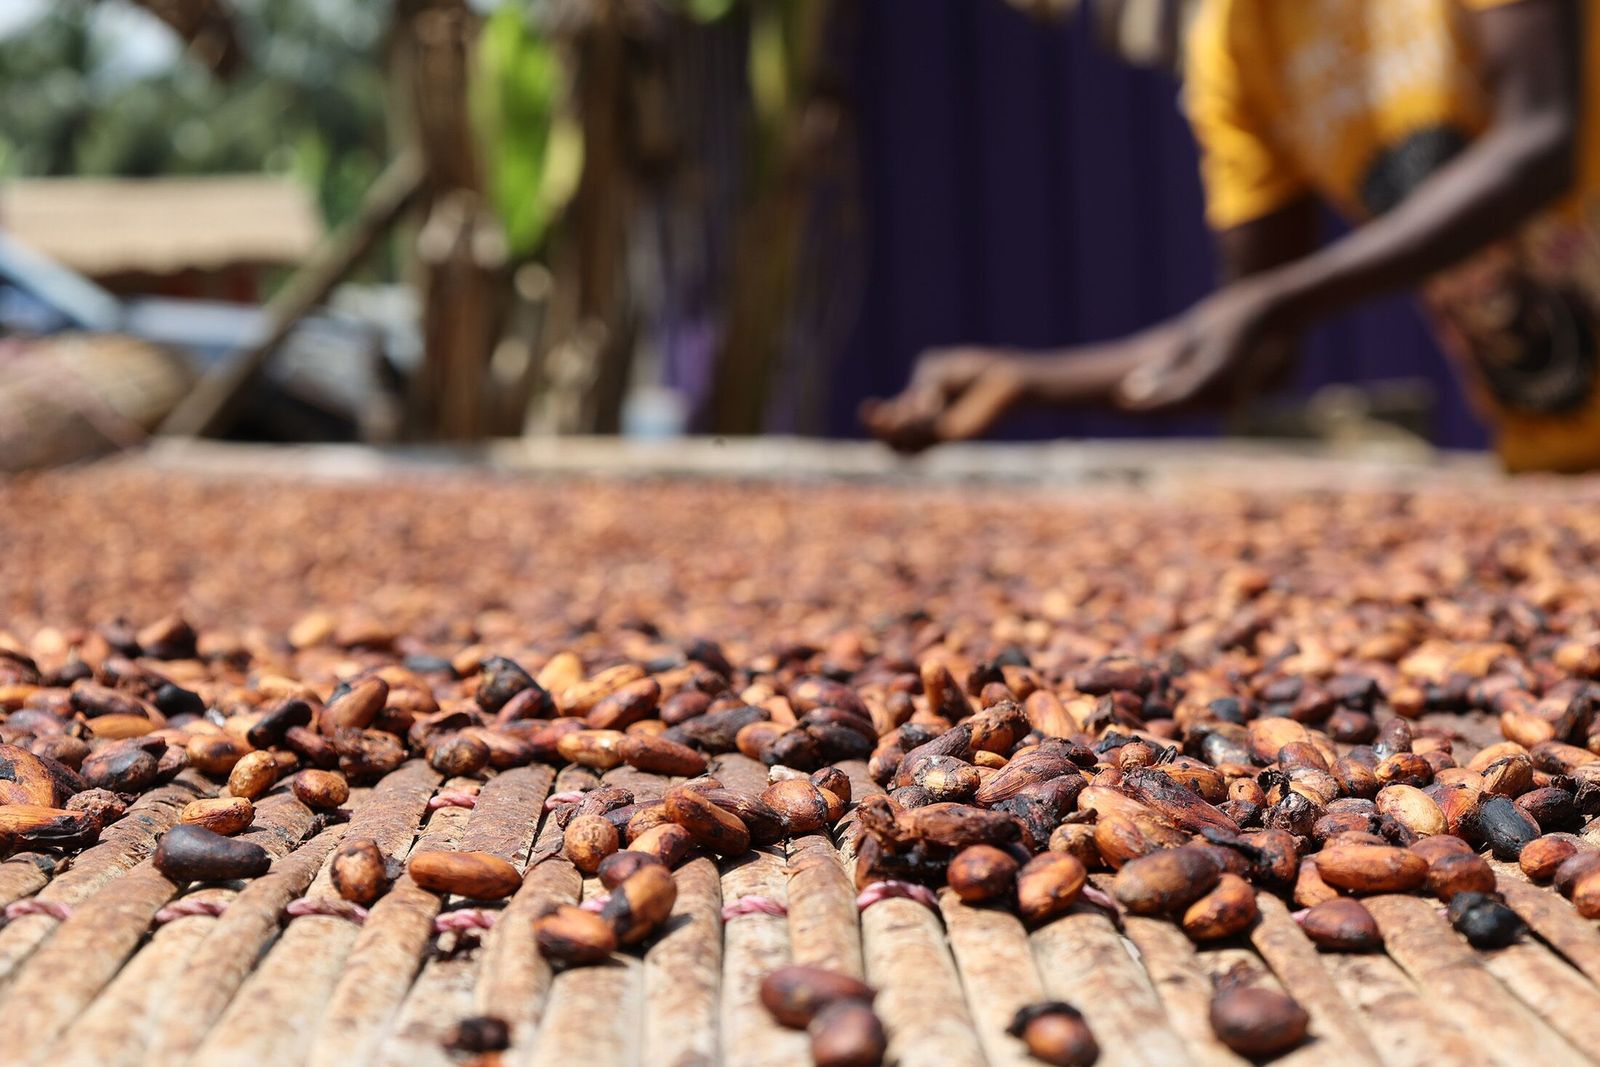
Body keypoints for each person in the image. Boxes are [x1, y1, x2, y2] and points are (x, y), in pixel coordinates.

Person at [863, 0, 1600, 473]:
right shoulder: (1236, 47)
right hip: (1556, 460)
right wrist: (1021, 379)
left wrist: (1276, 304)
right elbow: (1250, 344)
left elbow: (1538, 140)